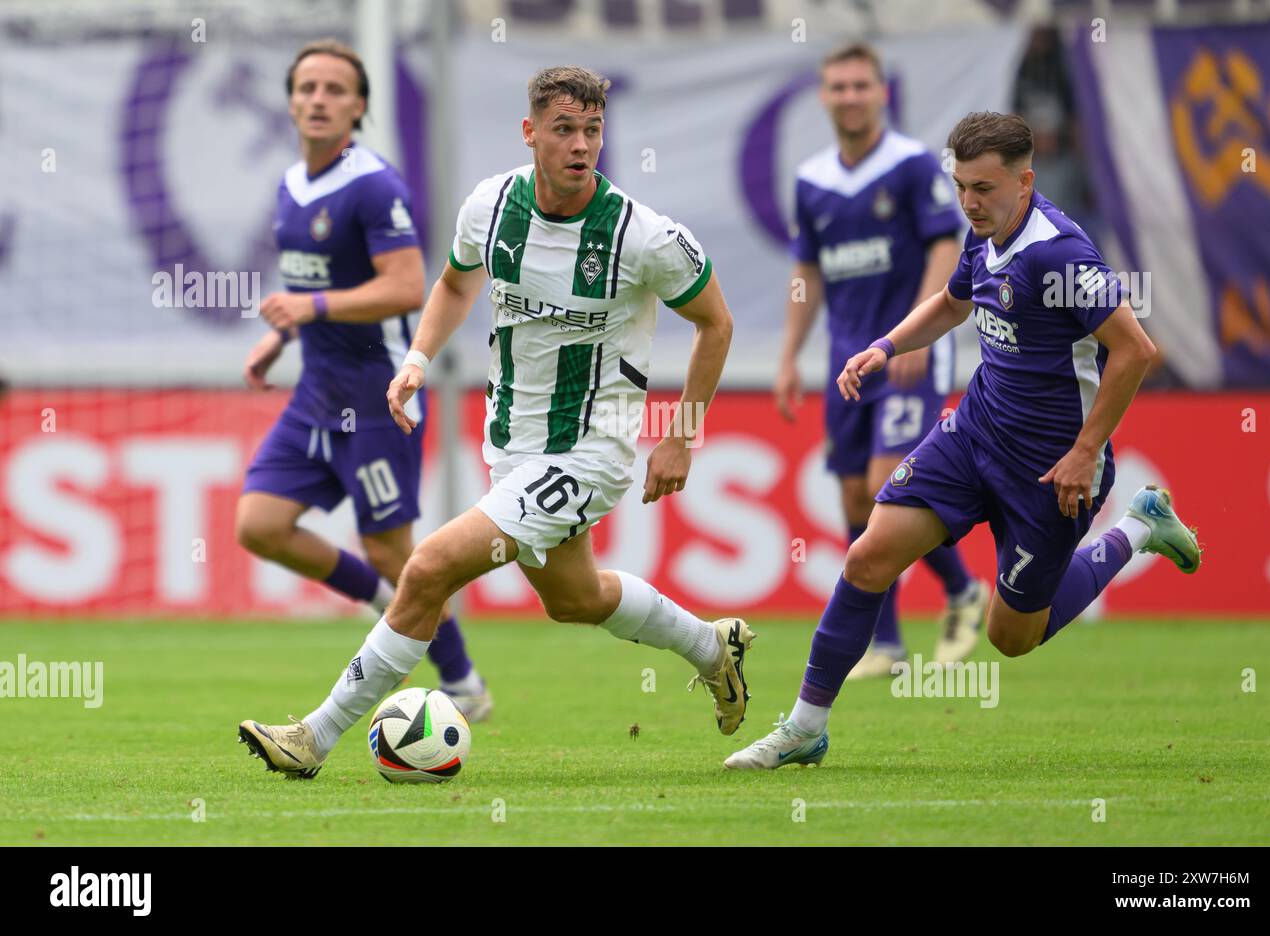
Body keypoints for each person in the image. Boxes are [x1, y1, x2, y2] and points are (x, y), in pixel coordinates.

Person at [239, 65, 752, 779]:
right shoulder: (492, 205)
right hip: (513, 442)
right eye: (565, 129)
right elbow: (453, 282)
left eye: (593, 130)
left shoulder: (643, 236)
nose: (581, 146)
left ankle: (313, 738)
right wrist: (417, 359)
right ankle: (710, 648)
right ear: (531, 132)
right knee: (576, 599)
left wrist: (681, 434)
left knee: (428, 569)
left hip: (589, 451)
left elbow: (715, 323)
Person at [727, 111, 1201, 769]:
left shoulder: (1060, 253)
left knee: (1012, 637)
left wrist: (1085, 452)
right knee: (868, 557)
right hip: (974, 433)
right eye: (962, 187)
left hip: (1053, 467)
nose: (970, 202)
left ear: (1025, 180)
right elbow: (954, 303)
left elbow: (1135, 351)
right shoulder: (982, 234)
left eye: (985, 187)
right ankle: (806, 727)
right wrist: (886, 346)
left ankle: (1139, 530)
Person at [237, 39, 490, 723]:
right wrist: (280, 334)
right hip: (315, 393)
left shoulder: (373, 183)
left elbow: (407, 285)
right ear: (290, 100)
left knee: (393, 552)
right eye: (307, 87)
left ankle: (463, 679)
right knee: (259, 525)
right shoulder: (290, 187)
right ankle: (386, 600)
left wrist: (310, 309)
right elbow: (314, 283)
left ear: (359, 106)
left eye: (335, 89)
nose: (319, 99)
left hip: (378, 398)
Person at [775, 43, 987, 676]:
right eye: (837, 87)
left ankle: (963, 589)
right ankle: (887, 643)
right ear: (823, 95)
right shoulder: (812, 181)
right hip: (847, 361)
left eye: (860, 86)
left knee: (885, 484)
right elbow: (807, 272)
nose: (849, 97)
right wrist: (788, 356)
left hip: (903, 356)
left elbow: (945, 248)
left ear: (881, 92)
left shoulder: (912, 166)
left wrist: (911, 340)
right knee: (853, 502)